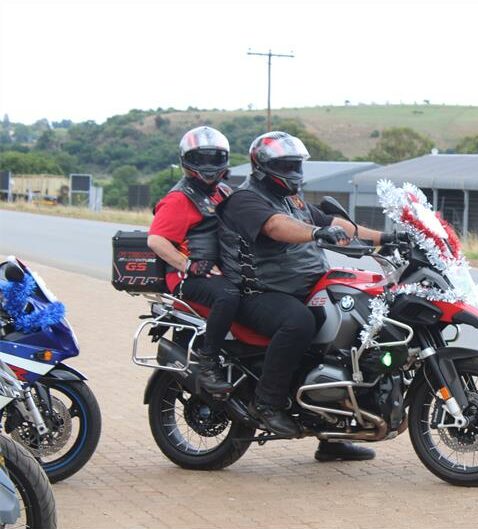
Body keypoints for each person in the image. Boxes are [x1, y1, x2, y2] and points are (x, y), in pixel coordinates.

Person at [217, 131, 402, 461]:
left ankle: (336, 432)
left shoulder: (294, 200)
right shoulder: (246, 200)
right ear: (262, 167)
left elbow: (338, 224)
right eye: (285, 165)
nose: (293, 171)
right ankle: (266, 403)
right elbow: (276, 227)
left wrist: (388, 237)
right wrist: (317, 233)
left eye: (296, 164)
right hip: (259, 293)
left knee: (351, 332)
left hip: (302, 287)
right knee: (298, 322)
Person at [148, 126, 239, 396]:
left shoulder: (222, 191)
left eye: (215, 158)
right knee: (229, 296)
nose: (209, 166)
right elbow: (156, 240)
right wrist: (188, 265)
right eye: (201, 159)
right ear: (188, 161)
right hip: (186, 277)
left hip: (215, 270)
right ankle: (206, 360)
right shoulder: (178, 198)